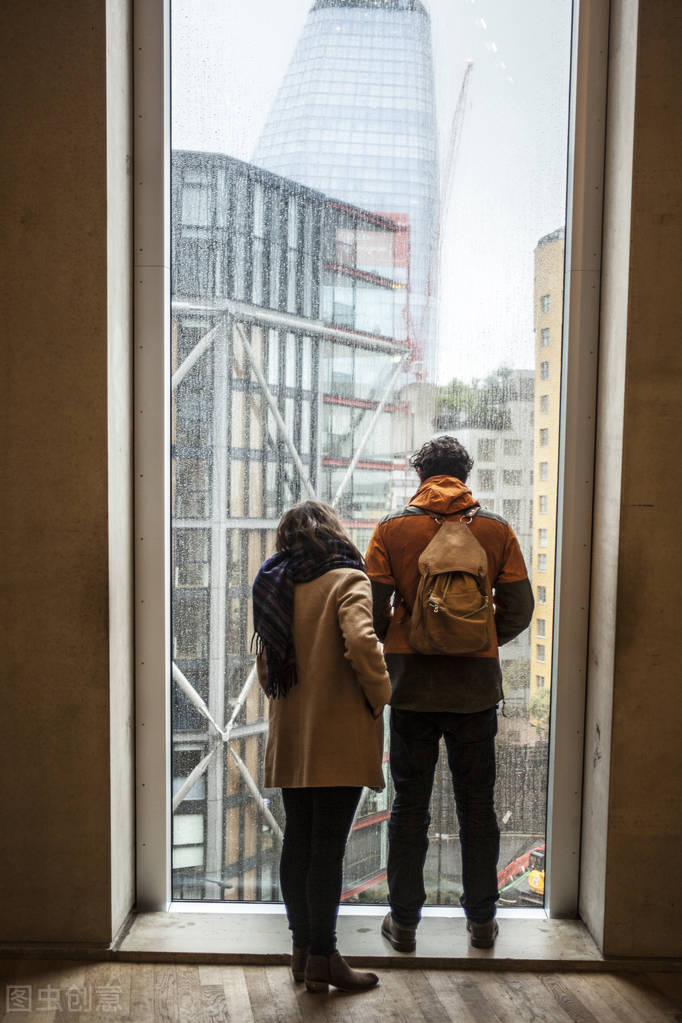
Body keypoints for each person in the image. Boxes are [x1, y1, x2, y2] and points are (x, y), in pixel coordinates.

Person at [364, 436, 534, 951]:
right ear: (466, 473)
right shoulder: (496, 530)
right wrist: (478, 639)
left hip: (411, 689)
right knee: (477, 806)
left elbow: (371, 613)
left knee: (410, 808)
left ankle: (405, 924)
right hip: (476, 689)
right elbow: (520, 609)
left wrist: (408, 638)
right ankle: (481, 923)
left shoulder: (391, 530)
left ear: (420, 474)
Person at [253, 500, 392, 993]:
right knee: (327, 849)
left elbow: (267, 666)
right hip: (337, 735)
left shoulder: (275, 583)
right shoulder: (347, 578)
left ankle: (301, 953)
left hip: (294, 734)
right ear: (331, 533)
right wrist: (381, 693)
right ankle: (324, 958)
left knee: (299, 842)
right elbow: (361, 639)